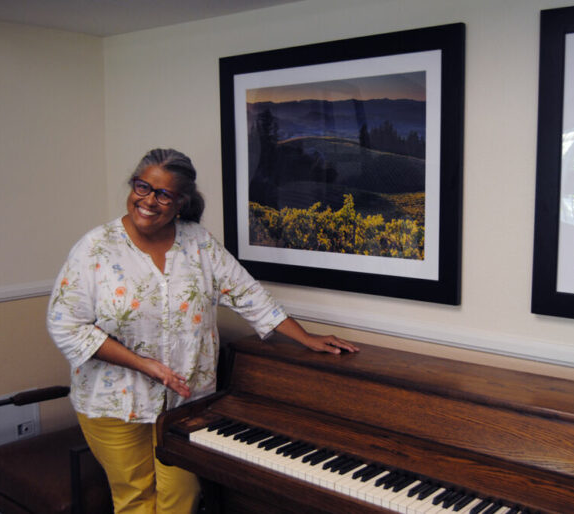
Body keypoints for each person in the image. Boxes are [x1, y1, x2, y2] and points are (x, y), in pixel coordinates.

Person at [46, 148, 359, 514]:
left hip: (186, 401)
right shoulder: (95, 248)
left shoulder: (198, 243)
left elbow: (248, 294)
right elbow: (65, 324)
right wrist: (145, 365)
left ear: (181, 202)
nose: (149, 200)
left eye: (163, 194)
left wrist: (305, 337)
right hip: (114, 403)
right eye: (143, 187)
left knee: (182, 498)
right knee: (135, 502)